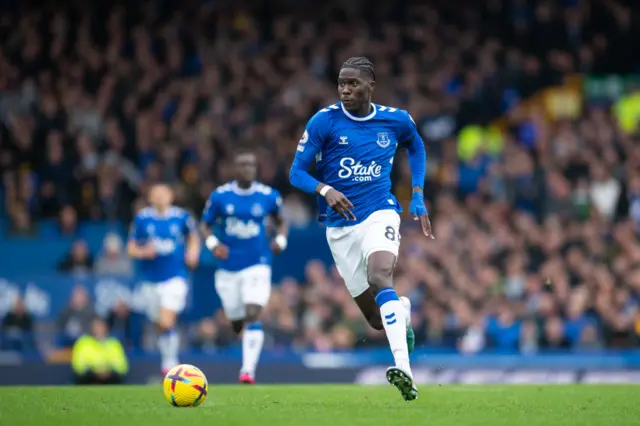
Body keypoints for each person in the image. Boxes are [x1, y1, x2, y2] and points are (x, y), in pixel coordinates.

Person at [289, 57, 433, 402]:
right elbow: (296, 173)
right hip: (340, 229)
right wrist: (325, 189)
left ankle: (405, 371)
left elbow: (416, 145)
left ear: (371, 85)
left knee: (380, 276)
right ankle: (403, 310)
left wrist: (417, 194)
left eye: (353, 83)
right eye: (341, 83)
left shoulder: (395, 119)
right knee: (374, 318)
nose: (345, 90)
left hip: (380, 212)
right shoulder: (324, 121)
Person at [201, 148, 288, 384]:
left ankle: (247, 370)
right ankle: (243, 336)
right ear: (233, 168)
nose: (247, 169)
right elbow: (205, 224)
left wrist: (281, 239)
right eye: (242, 165)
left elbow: (281, 221)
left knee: (252, 312)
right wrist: (212, 243)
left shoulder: (269, 195)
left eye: (251, 165)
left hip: (257, 262)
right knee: (236, 318)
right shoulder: (220, 196)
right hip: (227, 267)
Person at [127, 184, 200, 374]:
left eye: (163, 194)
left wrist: (192, 253)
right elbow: (131, 248)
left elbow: (193, 238)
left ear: (171, 196)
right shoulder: (143, 218)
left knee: (167, 320)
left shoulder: (182, 217)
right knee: (160, 324)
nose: (160, 197)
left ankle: (169, 364)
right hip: (150, 281)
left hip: (175, 278)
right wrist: (144, 251)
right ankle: (168, 360)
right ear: (150, 197)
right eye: (155, 194)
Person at [71, 317, 128, 385]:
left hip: (110, 376)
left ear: (106, 328)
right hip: (89, 376)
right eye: (96, 327)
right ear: (91, 328)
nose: (98, 329)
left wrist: (106, 371)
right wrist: (95, 371)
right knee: (81, 376)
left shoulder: (114, 343)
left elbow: (121, 366)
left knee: (119, 377)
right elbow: (78, 365)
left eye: (101, 326)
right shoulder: (83, 342)